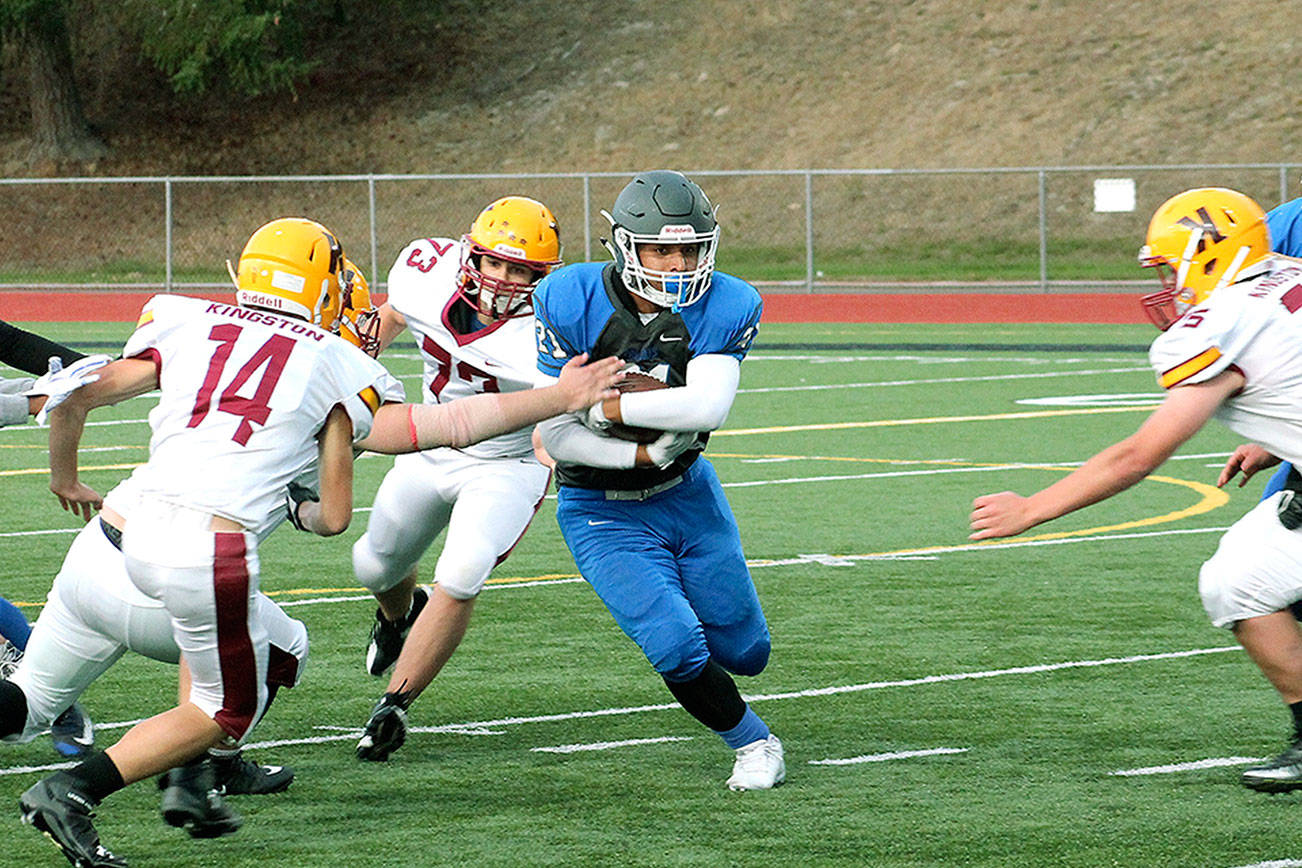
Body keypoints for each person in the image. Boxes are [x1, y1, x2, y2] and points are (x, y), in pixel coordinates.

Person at [14, 217, 622, 867]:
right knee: (227, 706)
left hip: (126, 533)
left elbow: (72, 390)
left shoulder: (188, 319)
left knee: (41, 701)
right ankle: (78, 791)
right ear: (325, 290)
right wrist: (557, 395)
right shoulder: (334, 367)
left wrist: (65, 476)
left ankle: (187, 778)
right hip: (203, 551)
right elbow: (446, 423)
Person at [969, 187, 1302, 795]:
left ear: (1209, 254)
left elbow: (1140, 454)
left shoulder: (1226, 321)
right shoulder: (1284, 274)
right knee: (1239, 580)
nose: (1169, 283)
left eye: (1171, 266)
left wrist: (1032, 509)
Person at [529, 170, 782, 792]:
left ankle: (716, 672)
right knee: (672, 642)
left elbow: (706, 409)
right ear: (624, 245)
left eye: (689, 248)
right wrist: (637, 456)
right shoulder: (568, 297)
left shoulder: (727, 301)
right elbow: (553, 436)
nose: (677, 262)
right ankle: (754, 742)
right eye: (661, 248)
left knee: (746, 653)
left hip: (689, 496)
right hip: (599, 508)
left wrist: (608, 408)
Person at [352, 196, 565, 762]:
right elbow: (397, 309)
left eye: (520, 270)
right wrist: (373, 334)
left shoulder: (552, 329)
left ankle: (394, 704)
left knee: (464, 569)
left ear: (542, 277)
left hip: (505, 465)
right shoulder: (426, 270)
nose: (502, 280)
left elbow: (576, 398)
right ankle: (398, 615)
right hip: (430, 446)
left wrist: (554, 446)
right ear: (471, 255)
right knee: (371, 564)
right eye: (495, 263)